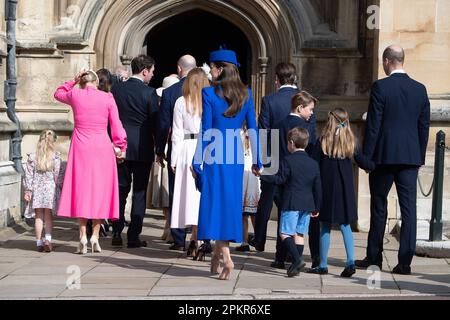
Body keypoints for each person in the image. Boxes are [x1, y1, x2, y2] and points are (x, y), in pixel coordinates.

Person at [355, 45, 430, 275]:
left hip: (384, 157)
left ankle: (374, 257)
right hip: (409, 158)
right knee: (409, 211)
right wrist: (418, 157)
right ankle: (405, 262)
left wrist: (367, 158)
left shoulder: (381, 86)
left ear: (388, 61)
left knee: (379, 207)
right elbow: (423, 126)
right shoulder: (420, 89)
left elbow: (373, 126)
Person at [192, 48, 261, 280]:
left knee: (213, 206)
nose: (209, 71)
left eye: (211, 67)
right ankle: (215, 256)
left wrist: (197, 159)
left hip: (214, 152)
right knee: (228, 205)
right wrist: (259, 159)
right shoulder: (247, 94)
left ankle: (228, 259)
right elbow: (253, 129)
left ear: (220, 69)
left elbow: (206, 129)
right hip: (235, 154)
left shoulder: (209, 94)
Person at [250, 63, 320, 269]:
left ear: (276, 80)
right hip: (302, 164)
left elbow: (263, 133)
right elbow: (312, 137)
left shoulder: (269, 100)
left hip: (276, 161)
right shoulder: (306, 101)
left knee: (276, 205)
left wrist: (261, 162)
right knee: (294, 210)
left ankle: (267, 244)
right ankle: (293, 256)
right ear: (294, 77)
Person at [54, 69, 127, 254]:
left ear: (83, 81)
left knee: (82, 190)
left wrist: (73, 80)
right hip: (101, 145)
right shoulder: (107, 97)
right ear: (96, 81)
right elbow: (116, 124)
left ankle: (82, 236)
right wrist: (121, 146)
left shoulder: (75, 94)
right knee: (100, 191)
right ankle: (95, 235)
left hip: (81, 147)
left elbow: (58, 93)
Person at [307, 108, 375, 277]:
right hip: (345, 189)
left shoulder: (322, 140)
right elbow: (362, 161)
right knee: (345, 226)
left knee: (325, 226)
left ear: (331, 121)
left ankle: (323, 265)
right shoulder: (351, 141)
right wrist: (374, 166)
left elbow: (313, 164)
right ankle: (350, 261)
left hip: (326, 188)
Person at [264, 91, 319, 270]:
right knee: (298, 228)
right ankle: (294, 257)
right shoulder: (306, 128)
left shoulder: (277, 125)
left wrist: (265, 174)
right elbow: (311, 152)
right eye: (310, 109)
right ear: (300, 107)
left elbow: (269, 152)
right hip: (302, 180)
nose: (311, 113)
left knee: (284, 218)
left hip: (281, 177)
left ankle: (281, 257)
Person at [110, 55, 159, 248]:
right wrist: (158, 146)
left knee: (120, 190)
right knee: (139, 192)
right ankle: (133, 236)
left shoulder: (117, 89)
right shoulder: (149, 93)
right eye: (152, 71)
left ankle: (116, 231)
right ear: (145, 71)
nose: (152, 75)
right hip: (142, 148)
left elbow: (110, 118)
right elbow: (155, 123)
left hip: (120, 147)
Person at [156, 55, 197, 251]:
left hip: (180, 147)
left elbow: (164, 126)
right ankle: (199, 235)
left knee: (177, 192)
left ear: (179, 69)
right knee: (199, 192)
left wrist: (159, 150)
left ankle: (179, 238)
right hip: (204, 148)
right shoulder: (207, 92)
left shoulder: (172, 92)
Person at [171, 68, 209, 258]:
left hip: (186, 149)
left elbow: (176, 133)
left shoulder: (181, 102)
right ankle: (198, 238)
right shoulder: (209, 101)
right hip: (205, 149)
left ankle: (194, 238)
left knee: (189, 196)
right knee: (200, 196)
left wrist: (174, 158)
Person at [149, 74, 179, 242]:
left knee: (169, 192)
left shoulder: (168, 106)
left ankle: (170, 227)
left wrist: (159, 149)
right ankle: (168, 226)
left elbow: (163, 127)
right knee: (165, 194)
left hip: (170, 149)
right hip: (168, 148)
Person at [23, 130, 63, 252]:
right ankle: (48, 239)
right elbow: (58, 175)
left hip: (37, 190)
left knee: (38, 217)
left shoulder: (33, 157)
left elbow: (28, 175)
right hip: (50, 190)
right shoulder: (55, 157)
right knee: (48, 216)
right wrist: (59, 187)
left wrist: (28, 190)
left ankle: (39, 242)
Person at [236, 126, 261, 252]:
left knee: (244, 214)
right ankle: (258, 240)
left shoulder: (237, 133)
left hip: (242, 173)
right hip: (252, 173)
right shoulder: (254, 134)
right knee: (252, 212)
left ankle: (244, 241)